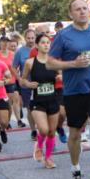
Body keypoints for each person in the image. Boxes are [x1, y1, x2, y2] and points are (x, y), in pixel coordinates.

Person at [47, 0, 90, 179]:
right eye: (78, 9)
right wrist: (72, 64)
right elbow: (49, 63)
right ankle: (75, 169)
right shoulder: (64, 36)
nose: (82, 12)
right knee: (75, 134)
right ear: (71, 13)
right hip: (74, 90)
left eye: (85, 8)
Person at [22, 33, 61, 168]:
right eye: (43, 42)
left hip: (52, 99)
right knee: (44, 130)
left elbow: (61, 75)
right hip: (38, 101)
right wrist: (28, 84)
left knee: (51, 131)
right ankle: (38, 146)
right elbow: (22, 80)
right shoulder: (30, 63)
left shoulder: (53, 62)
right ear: (37, 45)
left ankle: (48, 158)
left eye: (48, 43)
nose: (46, 45)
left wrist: (60, 78)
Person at [13, 28, 37, 138]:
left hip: (41, 82)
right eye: (29, 38)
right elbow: (13, 68)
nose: (31, 40)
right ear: (25, 38)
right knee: (30, 108)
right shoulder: (20, 51)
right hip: (27, 84)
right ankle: (33, 130)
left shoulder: (40, 49)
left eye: (33, 38)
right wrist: (19, 79)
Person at [0, 37, 23, 128]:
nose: (4, 45)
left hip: (11, 81)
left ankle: (14, 121)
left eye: (6, 43)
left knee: (12, 102)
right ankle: (4, 121)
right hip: (0, 82)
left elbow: (17, 66)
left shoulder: (13, 54)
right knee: (5, 103)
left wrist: (15, 72)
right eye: (2, 43)